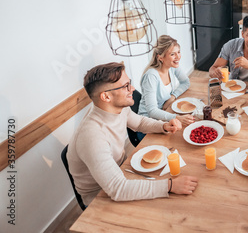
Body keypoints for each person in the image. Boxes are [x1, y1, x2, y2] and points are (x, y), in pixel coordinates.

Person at [67, 62, 198, 207]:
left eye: (129, 83)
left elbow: (140, 122)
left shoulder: (117, 108)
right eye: (125, 86)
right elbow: (118, 189)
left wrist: (164, 126)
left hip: (121, 173)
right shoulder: (91, 136)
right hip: (100, 198)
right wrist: (170, 186)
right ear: (106, 97)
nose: (133, 89)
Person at [138, 35, 194, 125]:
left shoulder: (172, 66)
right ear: (161, 57)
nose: (178, 57)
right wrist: (176, 117)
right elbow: (152, 111)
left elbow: (185, 82)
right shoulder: (151, 76)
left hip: (164, 114)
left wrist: (173, 96)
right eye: (172, 54)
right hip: (148, 124)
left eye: (178, 52)